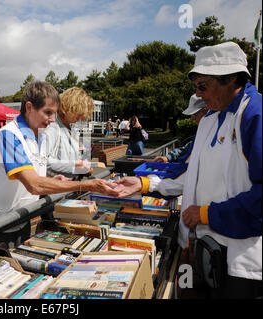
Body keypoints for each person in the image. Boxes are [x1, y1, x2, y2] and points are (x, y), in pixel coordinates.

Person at [110, 42, 262, 299]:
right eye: (196, 88)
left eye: (203, 86)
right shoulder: (211, 118)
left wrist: (207, 214)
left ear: (231, 78)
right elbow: (189, 172)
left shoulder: (254, 114)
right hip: (205, 248)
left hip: (241, 260)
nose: (199, 95)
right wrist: (146, 184)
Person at [0, 81, 118, 254]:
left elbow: (35, 172)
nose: (52, 119)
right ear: (29, 107)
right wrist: (86, 185)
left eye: (54, 113)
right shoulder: (9, 135)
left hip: (21, 215)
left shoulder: (40, 134)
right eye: (48, 112)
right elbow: (34, 184)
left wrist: (52, 180)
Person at [42, 87, 93, 179]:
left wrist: (83, 165)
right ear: (68, 108)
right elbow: (43, 161)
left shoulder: (73, 130)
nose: (81, 116)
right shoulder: (51, 129)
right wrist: (76, 166)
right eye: (78, 112)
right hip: (56, 189)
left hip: (72, 186)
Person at [152, 95, 208, 163]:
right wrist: (167, 157)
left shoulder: (214, 133)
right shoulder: (201, 132)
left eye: (194, 114)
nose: (192, 118)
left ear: (207, 111)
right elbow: (186, 149)